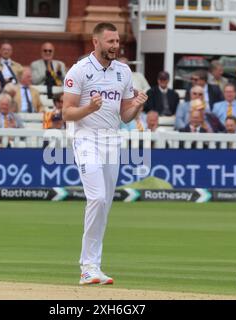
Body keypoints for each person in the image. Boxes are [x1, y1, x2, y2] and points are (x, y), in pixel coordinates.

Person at [63, 22, 147, 285]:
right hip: (86, 138)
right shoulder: (79, 71)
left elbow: (124, 115)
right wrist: (89, 109)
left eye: (117, 41)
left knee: (105, 205)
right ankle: (86, 266)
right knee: (97, 198)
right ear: (96, 42)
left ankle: (95, 267)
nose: (115, 45)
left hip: (112, 140)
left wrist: (137, 107)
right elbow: (67, 112)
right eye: (110, 41)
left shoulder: (123, 71)